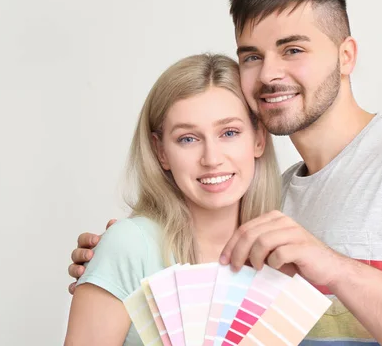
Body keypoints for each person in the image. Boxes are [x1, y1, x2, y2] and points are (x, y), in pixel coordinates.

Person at [68, 0, 382, 346]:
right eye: (251, 56)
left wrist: (337, 269)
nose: (270, 74)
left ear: (346, 57)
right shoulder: (266, 201)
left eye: (293, 49)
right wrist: (128, 254)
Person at [64, 53, 282, 345]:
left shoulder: (282, 249)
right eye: (188, 139)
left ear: (259, 139)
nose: (212, 159)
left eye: (229, 132)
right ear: (161, 151)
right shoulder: (130, 247)